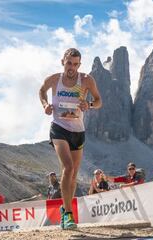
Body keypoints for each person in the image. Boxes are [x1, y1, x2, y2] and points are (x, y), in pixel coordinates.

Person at [39, 48, 102, 229]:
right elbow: (41, 91)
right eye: (69, 63)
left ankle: (64, 208)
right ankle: (68, 214)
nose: (71, 67)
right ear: (63, 62)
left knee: (73, 173)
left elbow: (99, 101)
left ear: (79, 65)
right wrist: (45, 105)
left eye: (75, 64)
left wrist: (88, 104)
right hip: (59, 128)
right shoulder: (54, 79)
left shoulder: (86, 80)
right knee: (67, 167)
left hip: (78, 131)